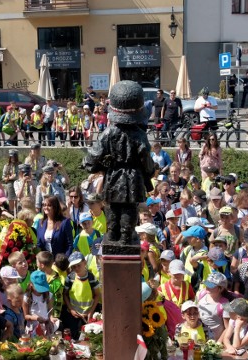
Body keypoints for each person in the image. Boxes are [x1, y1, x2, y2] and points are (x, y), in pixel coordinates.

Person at [83, 80, 155, 245]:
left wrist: (89, 164)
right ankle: (125, 236)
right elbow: (146, 161)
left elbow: (93, 156)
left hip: (114, 177)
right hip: (134, 179)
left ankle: (113, 233)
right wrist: (150, 171)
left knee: (112, 207)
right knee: (129, 208)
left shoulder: (108, 133)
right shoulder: (140, 136)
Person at [63, 252, 100, 338]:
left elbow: (97, 295)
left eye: (78, 265)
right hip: (73, 315)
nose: (76, 268)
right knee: (73, 337)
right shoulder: (70, 278)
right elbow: (65, 294)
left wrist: (91, 311)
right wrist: (71, 309)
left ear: (85, 263)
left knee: (86, 337)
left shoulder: (91, 278)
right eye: (73, 266)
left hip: (87, 315)